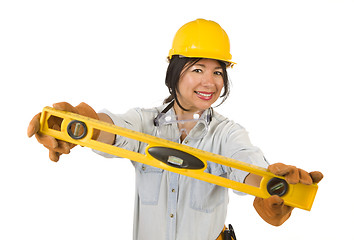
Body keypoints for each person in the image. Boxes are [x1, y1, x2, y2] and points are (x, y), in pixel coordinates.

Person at [28, 19, 323, 240]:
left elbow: (248, 165)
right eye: (197, 69)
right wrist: (83, 125)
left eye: (218, 72)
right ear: (175, 72)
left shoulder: (227, 134)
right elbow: (115, 131)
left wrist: (272, 186)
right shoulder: (145, 123)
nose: (210, 83)